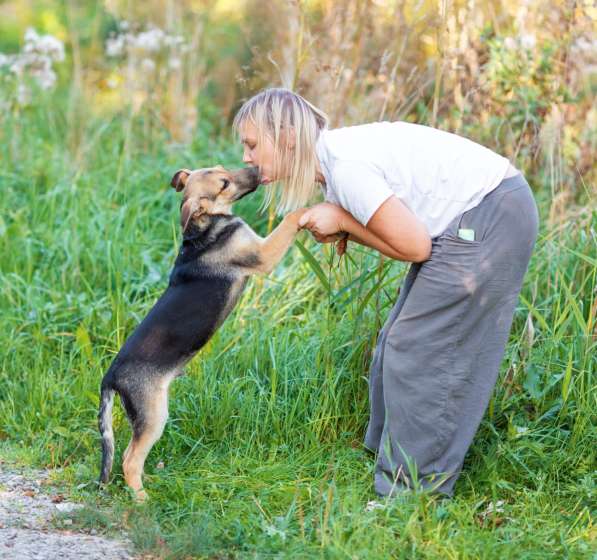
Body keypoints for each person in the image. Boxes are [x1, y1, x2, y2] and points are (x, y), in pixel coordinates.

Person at [232, 87, 539, 497]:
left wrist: (342, 218)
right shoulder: (335, 164)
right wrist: (345, 223)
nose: (246, 157)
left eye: (253, 144)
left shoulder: (346, 168)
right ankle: (386, 462)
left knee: (419, 348)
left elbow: (414, 247)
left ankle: (414, 493)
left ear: (286, 134)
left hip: (491, 212)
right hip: (476, 212)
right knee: (395, 340)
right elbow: (406, 239)